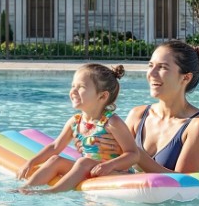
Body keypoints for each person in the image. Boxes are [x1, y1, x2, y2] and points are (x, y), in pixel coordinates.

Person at [15, 63, 140, 193]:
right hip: (89, 169)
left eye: (81, 87)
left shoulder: (112, 122)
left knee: (83, 162)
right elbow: (55, 147)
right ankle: (24, 189)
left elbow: (133, 154)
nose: (73, 91)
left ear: (102, 96)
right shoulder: (75, 122)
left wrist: (110, 165)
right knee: (55, 160)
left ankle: (51, 192)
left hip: (115, 173)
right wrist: (31, 162)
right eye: (73, 86)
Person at [118, 40, 199, 174]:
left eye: (163, 67)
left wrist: (137, 156)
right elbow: (115, 163)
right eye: (150, 65)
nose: (151, 74)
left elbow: (184, 184)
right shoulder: (137, 115)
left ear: (186, 78)